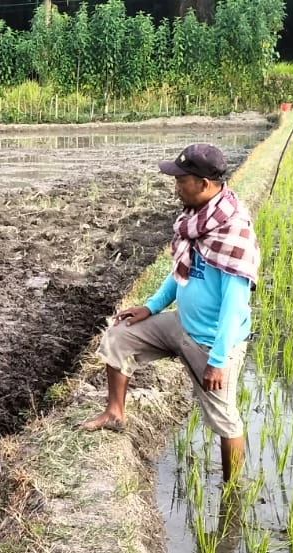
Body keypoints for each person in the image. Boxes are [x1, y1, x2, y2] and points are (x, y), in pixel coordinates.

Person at [80, 144, 259, 482]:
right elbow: (181, 271)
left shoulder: (233, 233)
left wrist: (219, 359)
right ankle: (115, 412)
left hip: (212, 342)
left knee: (226, 420)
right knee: (120, 336)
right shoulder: (198, 221)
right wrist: (150, 306)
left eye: (182, 180)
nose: (176, 186)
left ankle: (232, 490)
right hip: (181, 323)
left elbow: (235, 307)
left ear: (204, 184)